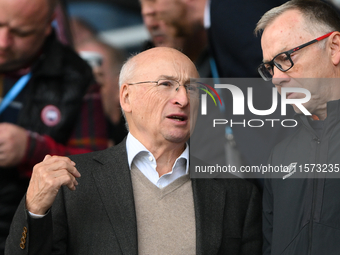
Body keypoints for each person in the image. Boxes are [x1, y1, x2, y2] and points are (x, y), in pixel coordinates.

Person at [5, 47, 261, 255]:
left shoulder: (238, 193)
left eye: (192, 88)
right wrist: (35, 210)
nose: (183, 99)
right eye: (166, 84)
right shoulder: (72, 180)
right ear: (126, 97)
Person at [0, 0, 108, 252]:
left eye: (21, 32)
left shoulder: (75, 76)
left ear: (49, 26)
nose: (4, 41)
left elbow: (96, 168)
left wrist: (33, 148)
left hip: (28, 230)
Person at [254, 0, 340, 254]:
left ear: (334, 47)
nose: (277, 78)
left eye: (286, 57)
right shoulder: (278, 157)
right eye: (270, 67)